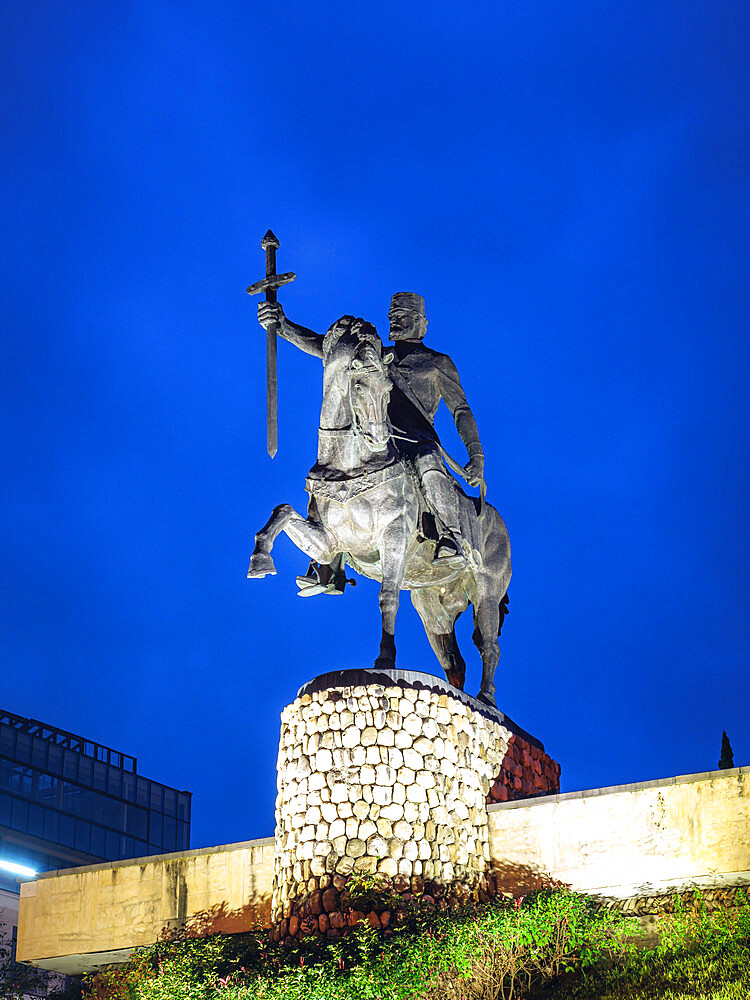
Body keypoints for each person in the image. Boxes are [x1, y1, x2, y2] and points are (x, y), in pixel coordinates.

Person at [256, 292, 485, 588]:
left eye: (402, 317)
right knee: (334, 471)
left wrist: (476, 455)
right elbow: (322, 346)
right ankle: (326, 566)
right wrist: (283, 325)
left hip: (417, 441)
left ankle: (449, 536)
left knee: (427, 460)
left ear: (422, 324)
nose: (394, 322)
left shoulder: (437, 363)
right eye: (392, 316)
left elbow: (461, 410)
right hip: (375, 437)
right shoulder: (373, 355)